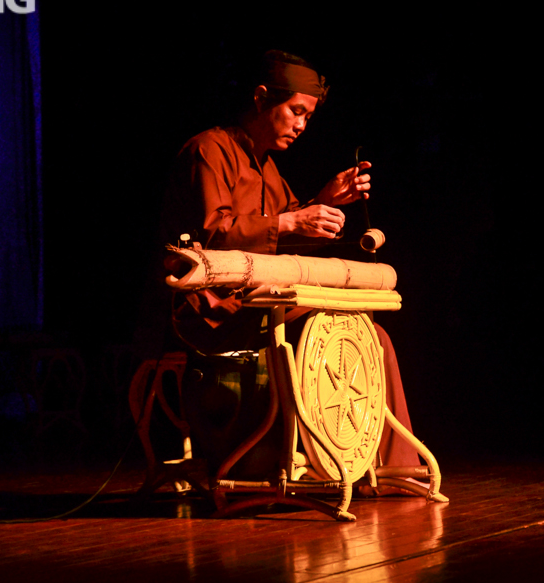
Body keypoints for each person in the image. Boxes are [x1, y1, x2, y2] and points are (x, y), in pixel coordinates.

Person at [160, 50, 419, 478]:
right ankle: (319, 461)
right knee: (344, 333)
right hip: (210, 310)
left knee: (369, 335)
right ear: (262, 99)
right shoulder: (209, 149)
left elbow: (282, 234)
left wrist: (325, 202)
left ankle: (381, 464)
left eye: (308, 116)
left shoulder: (267, 168)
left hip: (258, 302)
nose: (301, 124)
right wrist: (294, 219)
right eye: (296, 111)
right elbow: (212, 235)